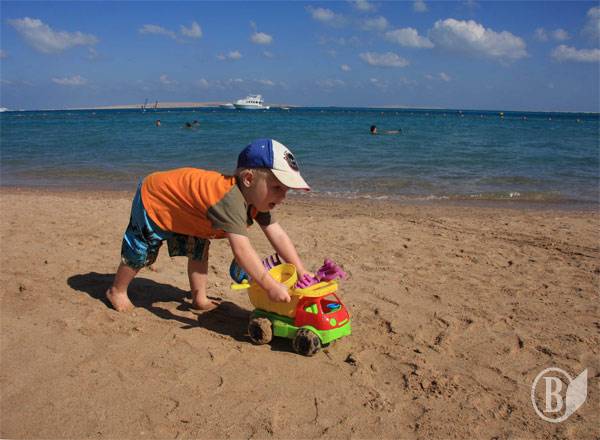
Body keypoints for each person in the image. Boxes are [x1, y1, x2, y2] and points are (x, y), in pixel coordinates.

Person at [105, 139, 311, 313]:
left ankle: (199, 298)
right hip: (156, 197)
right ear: (248, 179)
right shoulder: (229, 200)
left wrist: (301, 270)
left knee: (199, 250)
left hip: (193, 212)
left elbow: (278, 235)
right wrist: (270, 285)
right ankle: (117, 290)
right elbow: (241, 250)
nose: (282, 197)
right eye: (277, 188)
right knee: (140, 251)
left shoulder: (257, 200)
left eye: (286, 190)